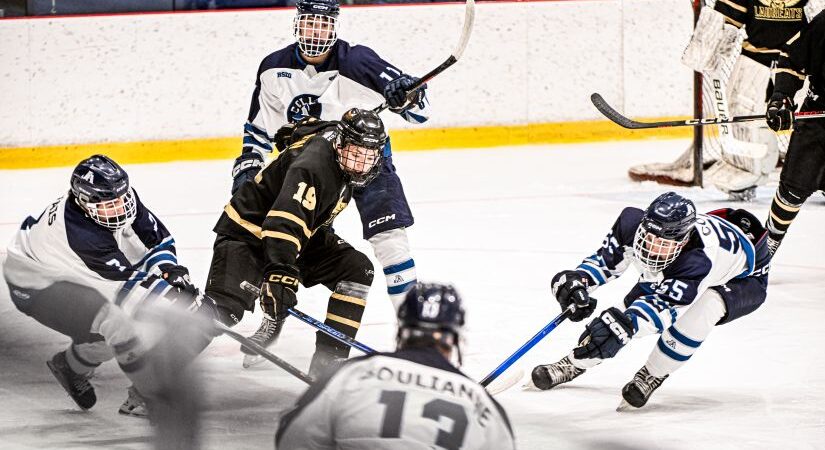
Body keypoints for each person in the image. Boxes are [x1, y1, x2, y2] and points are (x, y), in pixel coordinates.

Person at [231, 0, 427, 313]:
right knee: (286, 236)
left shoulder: (358, 61)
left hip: (366, 159)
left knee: (390, 238)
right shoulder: (273, 68)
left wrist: (407, 95)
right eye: (310, 22)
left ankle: (412, 324)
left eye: (324, 24)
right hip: (310, 168)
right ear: (297, 23)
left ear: (334, 27)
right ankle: (270, 307)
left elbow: (420, 113)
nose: (316, 31)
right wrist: (248, 167)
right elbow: (258, 131)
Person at [3, 155, 213, 418]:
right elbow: (127, 286)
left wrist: (171, 272)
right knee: (121, 324)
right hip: (35, 283)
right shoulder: (81, 235)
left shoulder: (119, 199)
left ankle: (69, 366)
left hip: (65, 266)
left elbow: (154, 241)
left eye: (122, 199)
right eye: (110, 205)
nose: (121, 208)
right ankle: (148, 394)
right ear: (85, 202)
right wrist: (176, 301)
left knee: (116, 326)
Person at [529, 192, 771, 408]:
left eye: (662, 244)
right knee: (619, 319)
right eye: (649, 238)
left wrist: (626, 327)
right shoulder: (631, 223)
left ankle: (653, 374)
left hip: (744, 281)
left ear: (683, 241)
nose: (651, 249)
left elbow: (661, 311)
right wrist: (579, 281)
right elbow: (604, 262)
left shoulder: (698, 260)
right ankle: (573, 363)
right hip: (698, 255)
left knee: (706, 307)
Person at [207, 108, 386, 377]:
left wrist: (294, 132)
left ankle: (328, 362)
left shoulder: (335, 137)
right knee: (223, 310)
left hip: (299, 233)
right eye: (355, 154)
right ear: (340, 144)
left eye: (368, 157)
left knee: (357, 269)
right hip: (248, 232)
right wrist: (280, 273)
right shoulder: (313, 168)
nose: (360, 165)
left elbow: (313, 126)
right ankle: (156, 368)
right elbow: (283, 224)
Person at [275, 282, 516, 449]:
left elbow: (292, 440)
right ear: (455, 338)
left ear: (402, 329)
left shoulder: (351, 375)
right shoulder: (480, 402)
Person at [634, 0, 818, 200]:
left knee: (813, 119)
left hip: (799, 68)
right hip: (756, 63)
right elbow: (724, 19)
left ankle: (820, 173)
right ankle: (745, 173)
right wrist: (707, 50)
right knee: (744, 117)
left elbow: (819, 23)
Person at [762, 11, 825, 255]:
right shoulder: (823, 24)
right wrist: (782, 98)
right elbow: (792, 59)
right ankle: (767, 245)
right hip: (818, 122)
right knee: (792, 190)